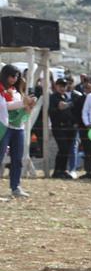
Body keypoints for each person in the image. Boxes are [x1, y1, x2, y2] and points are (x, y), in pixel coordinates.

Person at [0, 64, 36, 197]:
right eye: (12, 76)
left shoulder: (18, 92)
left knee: (17, 159)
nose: (14, 79)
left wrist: (29, 107)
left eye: (16, 76)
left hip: (18, 128)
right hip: (4, 127)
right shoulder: (1, 90)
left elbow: (24, 113)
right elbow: (5, 107)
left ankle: (16, 187)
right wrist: (23, 103)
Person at [48, 78, 76, 179]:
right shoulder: (53, 97)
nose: (62, 88)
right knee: (63, 148)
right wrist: (58, 108)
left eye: (64, 86)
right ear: (56, 86)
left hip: (69, 127)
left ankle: (63, 170)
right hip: (58, 127)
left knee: (66, 150)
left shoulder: (66, 97)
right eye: (60, 86)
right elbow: (50, 111)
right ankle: (57, 171)